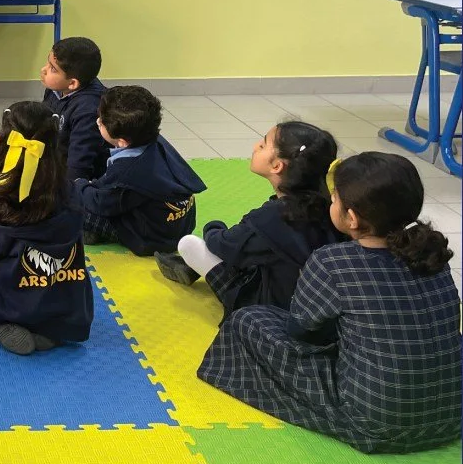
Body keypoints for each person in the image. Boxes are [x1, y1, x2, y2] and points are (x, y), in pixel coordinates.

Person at [197, 152, 462, 454]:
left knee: (247, 321)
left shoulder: (333, 261)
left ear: (351, 217)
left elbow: (300, 331)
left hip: (376, 421)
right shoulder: (432, 254)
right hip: (452, 415)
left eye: (334, 199)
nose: (330, 204)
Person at [156, 121, 341, 315]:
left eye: (262, 145)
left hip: (274, 310)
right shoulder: (332, 204)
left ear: (277, 166)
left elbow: (222, 244)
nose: (255, 147)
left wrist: (213, 226)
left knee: (189, 244)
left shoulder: (273, 217)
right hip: (320, 306)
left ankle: (195, 268)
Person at [0, 101, 93, 355]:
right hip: (62, 304)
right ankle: (48, 327)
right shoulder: (72, 196)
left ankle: (3, 322)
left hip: (12, 301)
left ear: (2, 143)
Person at [76, 85, 206, 256]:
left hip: (151, 239)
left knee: (75, 205)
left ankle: (93, 232)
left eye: (101, 121)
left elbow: (101, 203)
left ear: (122, 141)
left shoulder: (128, 171)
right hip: (181, 227)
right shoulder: (155, 140)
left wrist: (81, 185)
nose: (97, 121)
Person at [40, 36, 109, 180]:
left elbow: (79, 166)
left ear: (72, 83)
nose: (44, 69)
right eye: (48, 62)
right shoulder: (56, 87)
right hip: (56, 158)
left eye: (52, 68)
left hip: (77, 179)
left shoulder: (88, 110)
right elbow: (42, 121)